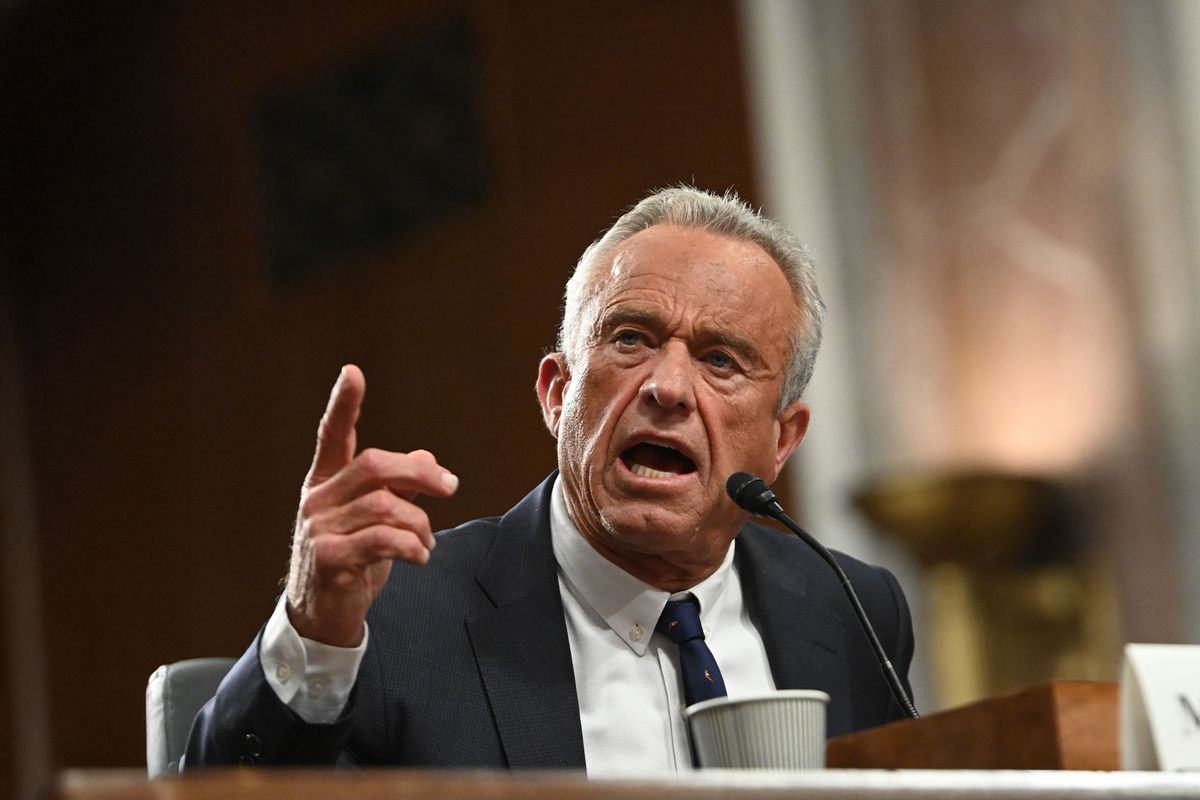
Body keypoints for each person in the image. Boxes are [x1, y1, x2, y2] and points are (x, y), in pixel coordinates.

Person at [184, 186, 914, 774]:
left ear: (783, 438)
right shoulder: (397, 617)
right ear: (557, 394)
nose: (667, 386)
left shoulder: (851, 610)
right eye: (630, 339)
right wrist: (313, 634)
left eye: (721, 360)